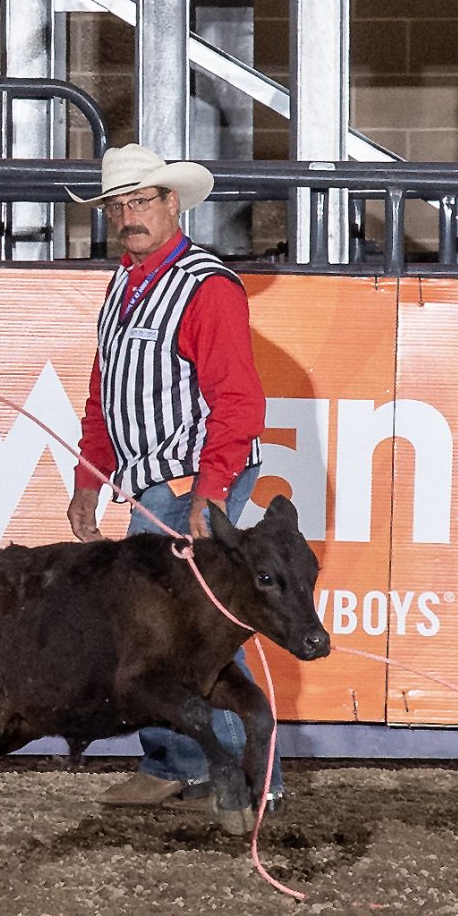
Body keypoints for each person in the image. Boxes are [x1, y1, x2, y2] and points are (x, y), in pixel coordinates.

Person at [66, 143, 281, 813]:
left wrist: (211, 492)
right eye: (119, 205)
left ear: (171, 204)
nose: (129, 216)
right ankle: (182, 760)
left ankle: (244, 775)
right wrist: (87, 476)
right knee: (162, 628)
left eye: (141, 201)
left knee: (193, 629)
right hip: (156, 479)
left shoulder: (205, 286)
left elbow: (238, 401)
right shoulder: (125, 285)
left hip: (192, 479)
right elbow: (106, 392)